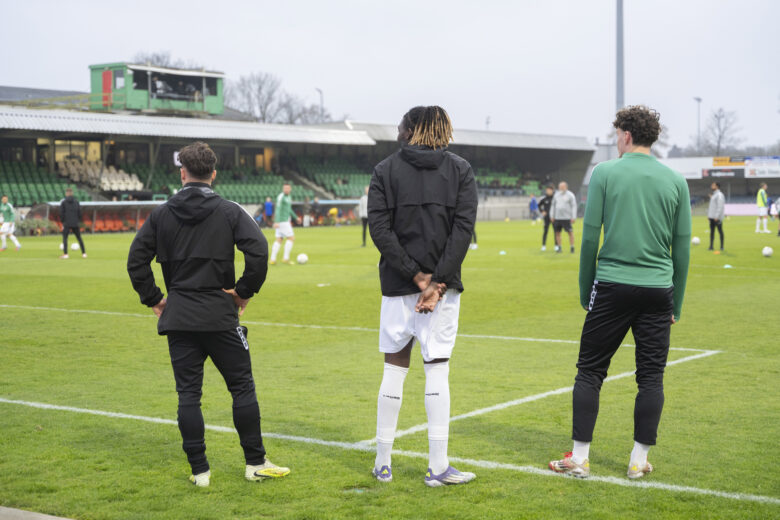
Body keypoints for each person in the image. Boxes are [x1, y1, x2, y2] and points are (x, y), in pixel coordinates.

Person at [127, 141, 289, 488]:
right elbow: (258, 250)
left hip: (180, 315)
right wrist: (244, 293)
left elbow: (135, 260)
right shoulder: (229, 210)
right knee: (242, 388)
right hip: (219, 315)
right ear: (213, 174)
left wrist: (155, 299)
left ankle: (200, 471)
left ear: (182, 172)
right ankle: (255, 463)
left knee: (188, 395)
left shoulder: (161, 213)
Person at [548, 105, 691, 480]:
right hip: (658, 290)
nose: (615, 142)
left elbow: (591, 235)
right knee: (651, 377)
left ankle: (579, 458)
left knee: (590, 371)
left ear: (626, 135)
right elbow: (682, 248)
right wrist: (676, 301)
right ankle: (638, 460)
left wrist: (585, 290)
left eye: (616, 136)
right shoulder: (676, 180)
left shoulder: (605, 173)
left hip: (611, 286)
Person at [368, 105, 478, 487]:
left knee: (394, 369)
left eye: (401, 125)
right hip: (440, 292)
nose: (397, 130)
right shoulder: (460, 169)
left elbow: (380, 232)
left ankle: (383, 463)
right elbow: (463, 231)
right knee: (437, 369)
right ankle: (437, 466)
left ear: (414, 129)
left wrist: (416, 277)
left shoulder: (384, 170)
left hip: (399, 287)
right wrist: (436, 283)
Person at [270, 183, 300, 264]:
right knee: (291, 238)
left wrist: (296, 217)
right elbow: (278, 209)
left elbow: (289, 209)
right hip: (282, 221)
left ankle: (272, 259)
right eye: (285, 188)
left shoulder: (289, 197)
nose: (286, 189)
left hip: (284, 221)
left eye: (288, 188)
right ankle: (285, 258)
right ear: (283, 189)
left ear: (290, 189)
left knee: (279, 239)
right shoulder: (281, 196)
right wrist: (276, 221)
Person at [550, 181, 577, 253]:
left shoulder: (570, 195)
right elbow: (553, 205)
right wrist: (552, 215)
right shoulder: (556, 195)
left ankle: (572, 247)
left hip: (567, 218)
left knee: (570, 232)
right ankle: (559, 247)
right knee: (557, 233)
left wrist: (573, 217)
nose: (561, 188)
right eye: (559, 187)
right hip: (557, 218)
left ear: (566, 187)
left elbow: (574, 206)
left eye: (562, 187)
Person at [60, 188, 86, 259]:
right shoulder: (76, 202)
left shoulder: (64, 202)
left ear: (67, 193)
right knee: (79, 238)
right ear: (72, 193)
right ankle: (84, 253)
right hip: (75, 223)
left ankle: (65, 254)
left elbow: (61, 213)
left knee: (65, 238)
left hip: (67, 223)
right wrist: (78, 221)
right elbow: (80, 213)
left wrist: (63, 222)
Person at [707, 182, 725, 252]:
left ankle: (722, 247)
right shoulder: (714, 195)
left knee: (720, 231)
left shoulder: (719, 195)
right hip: (712, 217)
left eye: (713, 185)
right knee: (712, 232)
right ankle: (711, 246)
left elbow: (720, 206)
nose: (711, 186)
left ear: (717, 186)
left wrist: (717, 216)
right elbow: (712, 207)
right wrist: (709, 215)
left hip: (716, 218)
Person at [538, 185, 554, 251]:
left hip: (553, 217)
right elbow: (539, 205)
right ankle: (543, 246)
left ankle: (556, 246)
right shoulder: (544, 198)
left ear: (552, 190)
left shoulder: (555, 198)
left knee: (556, 231)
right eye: (547, 190)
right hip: (546, 218)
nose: (547, 191)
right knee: (545, 231)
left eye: (549, 190)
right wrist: (542, 211)